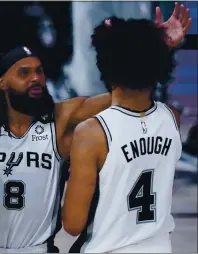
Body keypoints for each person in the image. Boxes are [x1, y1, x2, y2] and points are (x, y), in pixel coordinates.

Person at [0, 5, 190, 252]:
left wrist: (151, 50)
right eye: (24, 73)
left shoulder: (59, 118)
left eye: (39, 72)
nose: (36, 79)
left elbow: (127, 89)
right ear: (2, 83)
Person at [62, 16, 185, 253]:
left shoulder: (91, 133)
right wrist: (157, 49)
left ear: (104, 64)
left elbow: (73, 224)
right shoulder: (171, 118)